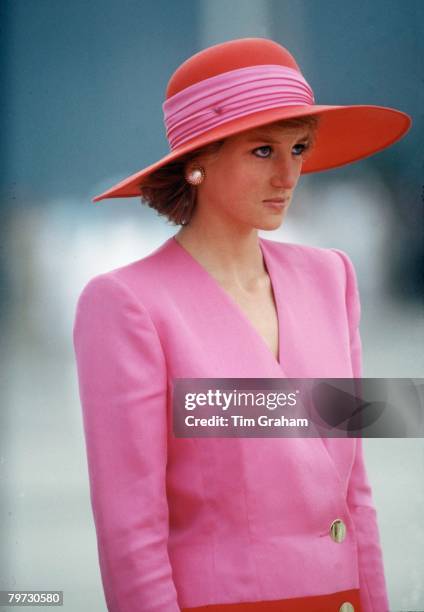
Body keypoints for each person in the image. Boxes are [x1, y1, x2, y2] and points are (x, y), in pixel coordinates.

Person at [73, 38, 411, 612]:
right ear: (198, 160)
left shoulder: (332, 277)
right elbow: (131, 532)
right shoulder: (126, 304)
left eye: (299, 147)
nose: (289, 174)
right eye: (262, 151)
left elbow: (353, 492)